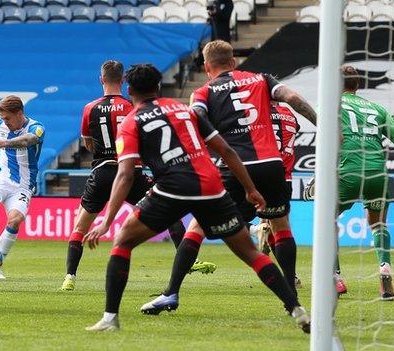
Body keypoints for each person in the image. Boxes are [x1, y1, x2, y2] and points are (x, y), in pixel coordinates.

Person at [83, 64, 310, 333]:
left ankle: (111, 318)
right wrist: (250, 188)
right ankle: (297, 309)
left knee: (123, 240)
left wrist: (107, 220)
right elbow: (225, 149)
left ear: (129, 89)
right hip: (211, 185)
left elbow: (125, 176)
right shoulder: (185, 111)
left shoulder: (132, 122)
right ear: (158, 86)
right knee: (250, 252)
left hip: (172, 189)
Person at [142, 40, 318, 313]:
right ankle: (291, 295)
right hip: (271, 165)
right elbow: (293, 99)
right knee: (280, 225)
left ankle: (171, 293)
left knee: (198, 226)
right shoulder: (262, 79)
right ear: (233, 61)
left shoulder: (202, 92)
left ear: (206, 66)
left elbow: (195, 118)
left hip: (235, 166)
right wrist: (323, 125)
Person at [60, 60, 216, 291]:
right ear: (123, 80)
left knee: (80, 226)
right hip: (131, 171)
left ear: (101, 79)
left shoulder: (89, 108)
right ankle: (189, 261)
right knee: (169, 214)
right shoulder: (131, 107)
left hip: (102, 171)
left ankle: (70, 277)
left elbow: (88, 143)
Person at [306, 66, 394, 301]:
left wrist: (319, 175)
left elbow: (327, 143)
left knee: (326, 220)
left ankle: (335, 278)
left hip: (345, 173)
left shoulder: (329, 105)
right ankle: (385, 268)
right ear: (357, 85)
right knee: (377, 223)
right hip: (377, 174)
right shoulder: (377, 108)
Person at [0, 95, 45, 280]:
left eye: (7, 118)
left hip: (23, 185)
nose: (4, 122)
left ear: (19, 113)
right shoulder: (0, 126)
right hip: (0, 178)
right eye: (2, 118)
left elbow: (28, 140)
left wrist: (4, 143)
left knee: (14, 221)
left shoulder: (36, 128)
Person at [249, 101, 302, 288]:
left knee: (227, 215)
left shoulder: (258, 111)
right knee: (281, 226)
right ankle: (291, 277)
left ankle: (255, 230)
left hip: (260, 170)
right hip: (285, 176)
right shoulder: (288, 112)